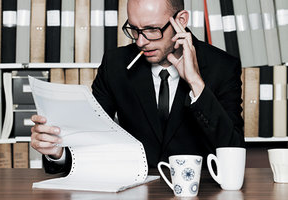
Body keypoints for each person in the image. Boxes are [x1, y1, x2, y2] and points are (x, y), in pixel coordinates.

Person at [31, 0, 245, 174]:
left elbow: (233, 150)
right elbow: (90, 137)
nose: (141, 41)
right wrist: (57, 152)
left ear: (181, 20)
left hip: (200, 191)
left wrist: (195, 83)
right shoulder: (115, 65)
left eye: (152, 29)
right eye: (134, 29)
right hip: (135, 189)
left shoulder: (223, 66)